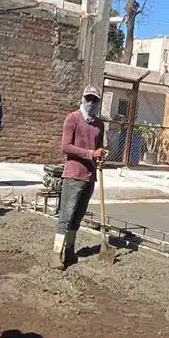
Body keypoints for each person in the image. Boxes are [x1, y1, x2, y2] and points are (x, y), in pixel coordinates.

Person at [53, 85, 107, 269]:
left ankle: (69, 251)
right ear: (83, 98)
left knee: (77, 216)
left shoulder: (100, 125)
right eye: (89, 98)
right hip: (73, 175)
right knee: (66, 215)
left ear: (99, 102)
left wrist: (100, 157)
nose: (91, 102)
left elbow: (98, 148)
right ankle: (56, 254)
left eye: (95, 99)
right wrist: (91, 153)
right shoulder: (73, 119)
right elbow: (65, 147)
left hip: (90, 176)